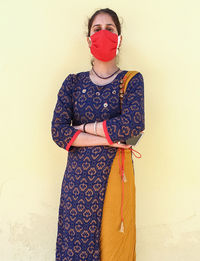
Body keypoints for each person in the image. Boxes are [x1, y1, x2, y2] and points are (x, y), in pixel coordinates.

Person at [51, 7, 145, 261]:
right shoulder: (73, 83)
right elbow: (58, 132)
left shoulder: (130, 81)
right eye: (97, 29)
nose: (103, 33)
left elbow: (132, 125)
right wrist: (109, 140)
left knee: (113, 251)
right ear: (88, 39)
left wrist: (81, 128)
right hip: (77, 187)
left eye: (110, 29)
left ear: (119, 38)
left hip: (115, 180)